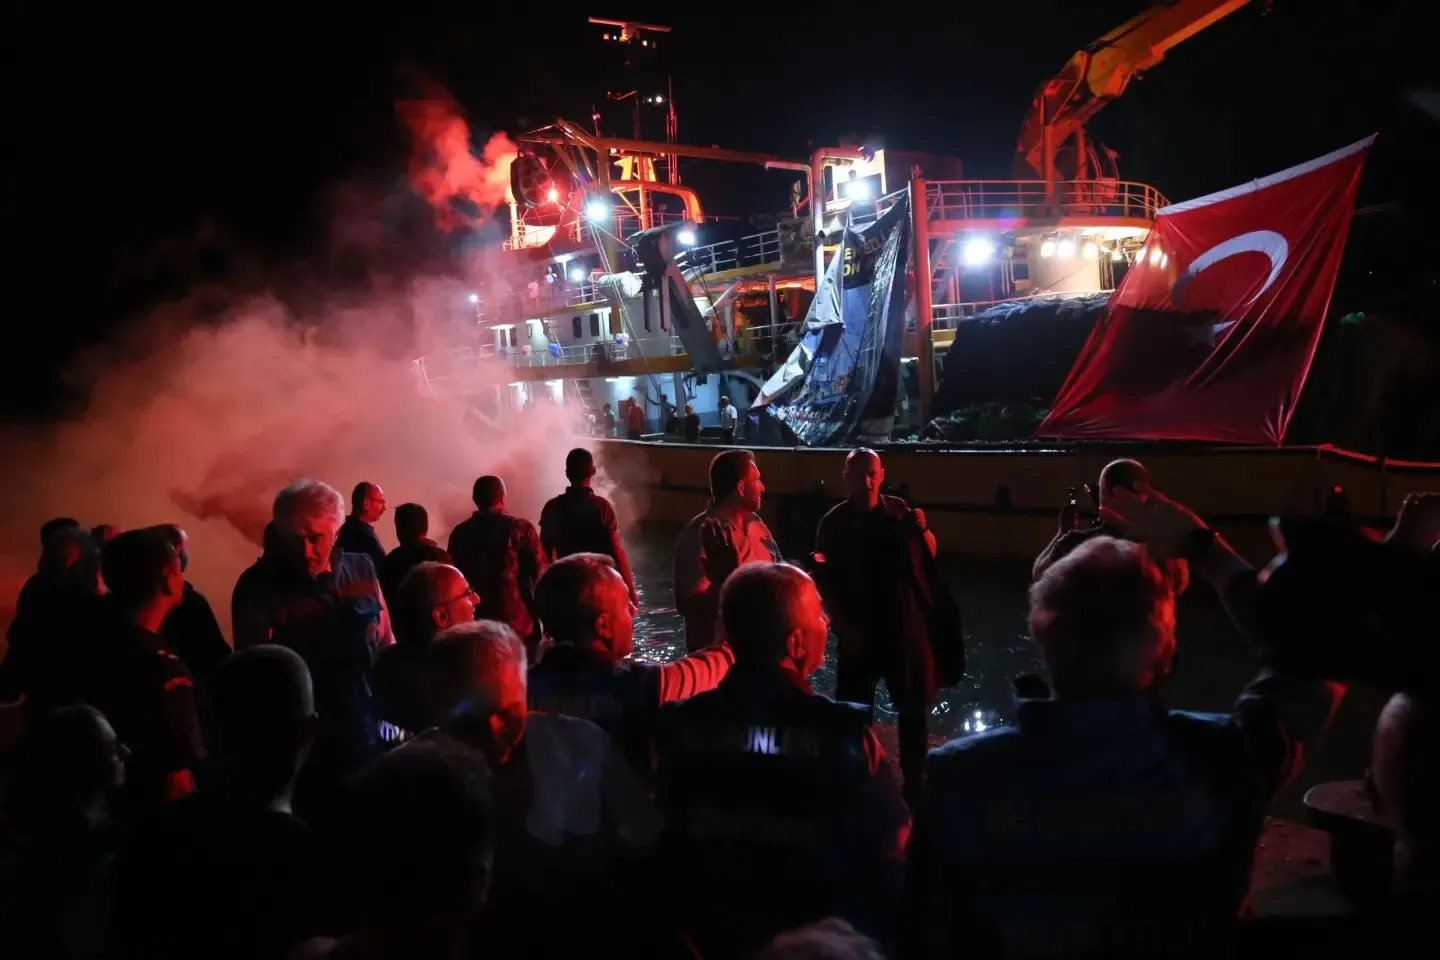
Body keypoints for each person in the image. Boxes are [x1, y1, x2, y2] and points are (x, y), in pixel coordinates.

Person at [917, 531, 1346, 958]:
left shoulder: (957, 779)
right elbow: (1320, 655)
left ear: (1043, 640)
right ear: (1168, 651)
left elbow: (927, 935)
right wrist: (1207, 552)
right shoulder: (1222, 758)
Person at [653, 563, 909, 957]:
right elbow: (894, 847)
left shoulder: (677, 726)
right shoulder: (845, 735)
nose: (827, 621)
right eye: (819, 613)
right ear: (796, 644)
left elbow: (659, 840)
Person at [815, 448, 955, 806]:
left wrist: (923, 530)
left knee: (912, 711)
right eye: (858, 473)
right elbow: (826, 582)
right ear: (846, 477)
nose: (866, 481)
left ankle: (914, 784)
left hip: (902, 631)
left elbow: (929, 553)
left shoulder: (900, 512)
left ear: (881, 475)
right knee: (855, 715)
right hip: (858, 633)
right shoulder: (833, 523)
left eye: (872, 473)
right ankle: (858, 782)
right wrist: (843, 628)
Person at [528, 552, 732, 779]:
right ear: (603, 626)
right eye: (626, 604)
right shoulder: (646, 688)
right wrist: (728, 587)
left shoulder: (519, 690)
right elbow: (727, 656)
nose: (634, 611)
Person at [674, 449, 781, 651]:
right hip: (721, 656)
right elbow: (687, 604)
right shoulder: (698, 535)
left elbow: (779, 570)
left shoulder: (758, 525)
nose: (763, 487)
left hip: (760, 651)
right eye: (757, 481)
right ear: (740, 487)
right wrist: (735, 590)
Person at [1032, 458, 1189, 593]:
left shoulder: (1077, 544)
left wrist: (1062, 532)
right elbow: (1179, 584)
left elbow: (1040, 576)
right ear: (1145, 494)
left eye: (1100, 491)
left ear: (1104, 495)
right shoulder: (1164, 548)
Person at [539, 447, 638, 605]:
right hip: (598, 589)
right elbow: (617, 552)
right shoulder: (602, 508)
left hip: (566, 588)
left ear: (567, 473)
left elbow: (543, 555)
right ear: (593, 471)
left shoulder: (552, 507)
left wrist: (547, 590)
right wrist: (631, 591)